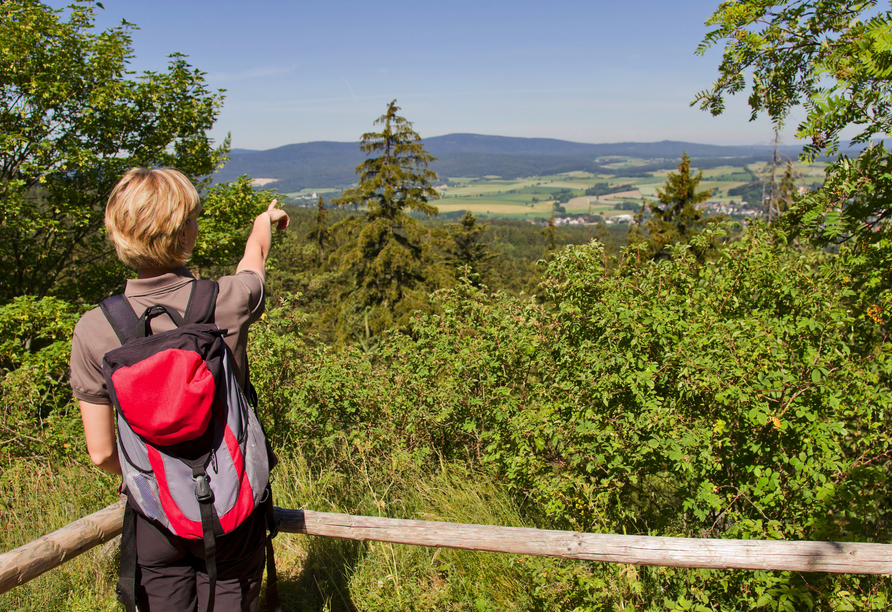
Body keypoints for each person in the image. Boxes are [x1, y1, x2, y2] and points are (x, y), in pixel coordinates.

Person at [69, 167, 289, 612]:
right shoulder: (225, 300)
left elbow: (100, 453)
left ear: (118, 234)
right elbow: (254, 264)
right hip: (232, 507)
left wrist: (145, 478)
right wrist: (262, 224)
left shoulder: (94, 329)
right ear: (186, 233)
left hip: (155, 513)